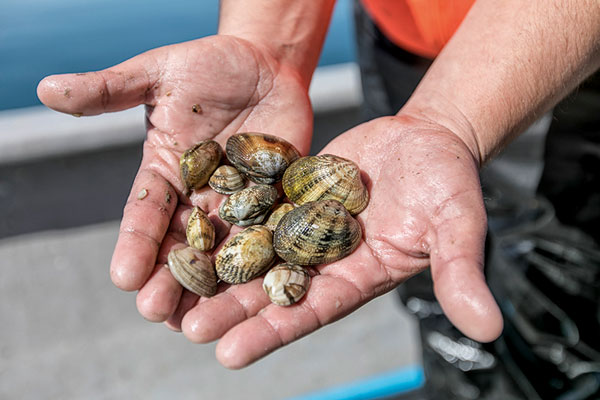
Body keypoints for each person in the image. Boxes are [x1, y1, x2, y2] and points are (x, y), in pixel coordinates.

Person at [37, 0, 599, 375]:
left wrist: (455, 119)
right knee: (437, 308)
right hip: (399, 35)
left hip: (560, 57)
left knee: (553, 299)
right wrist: (270, 46)